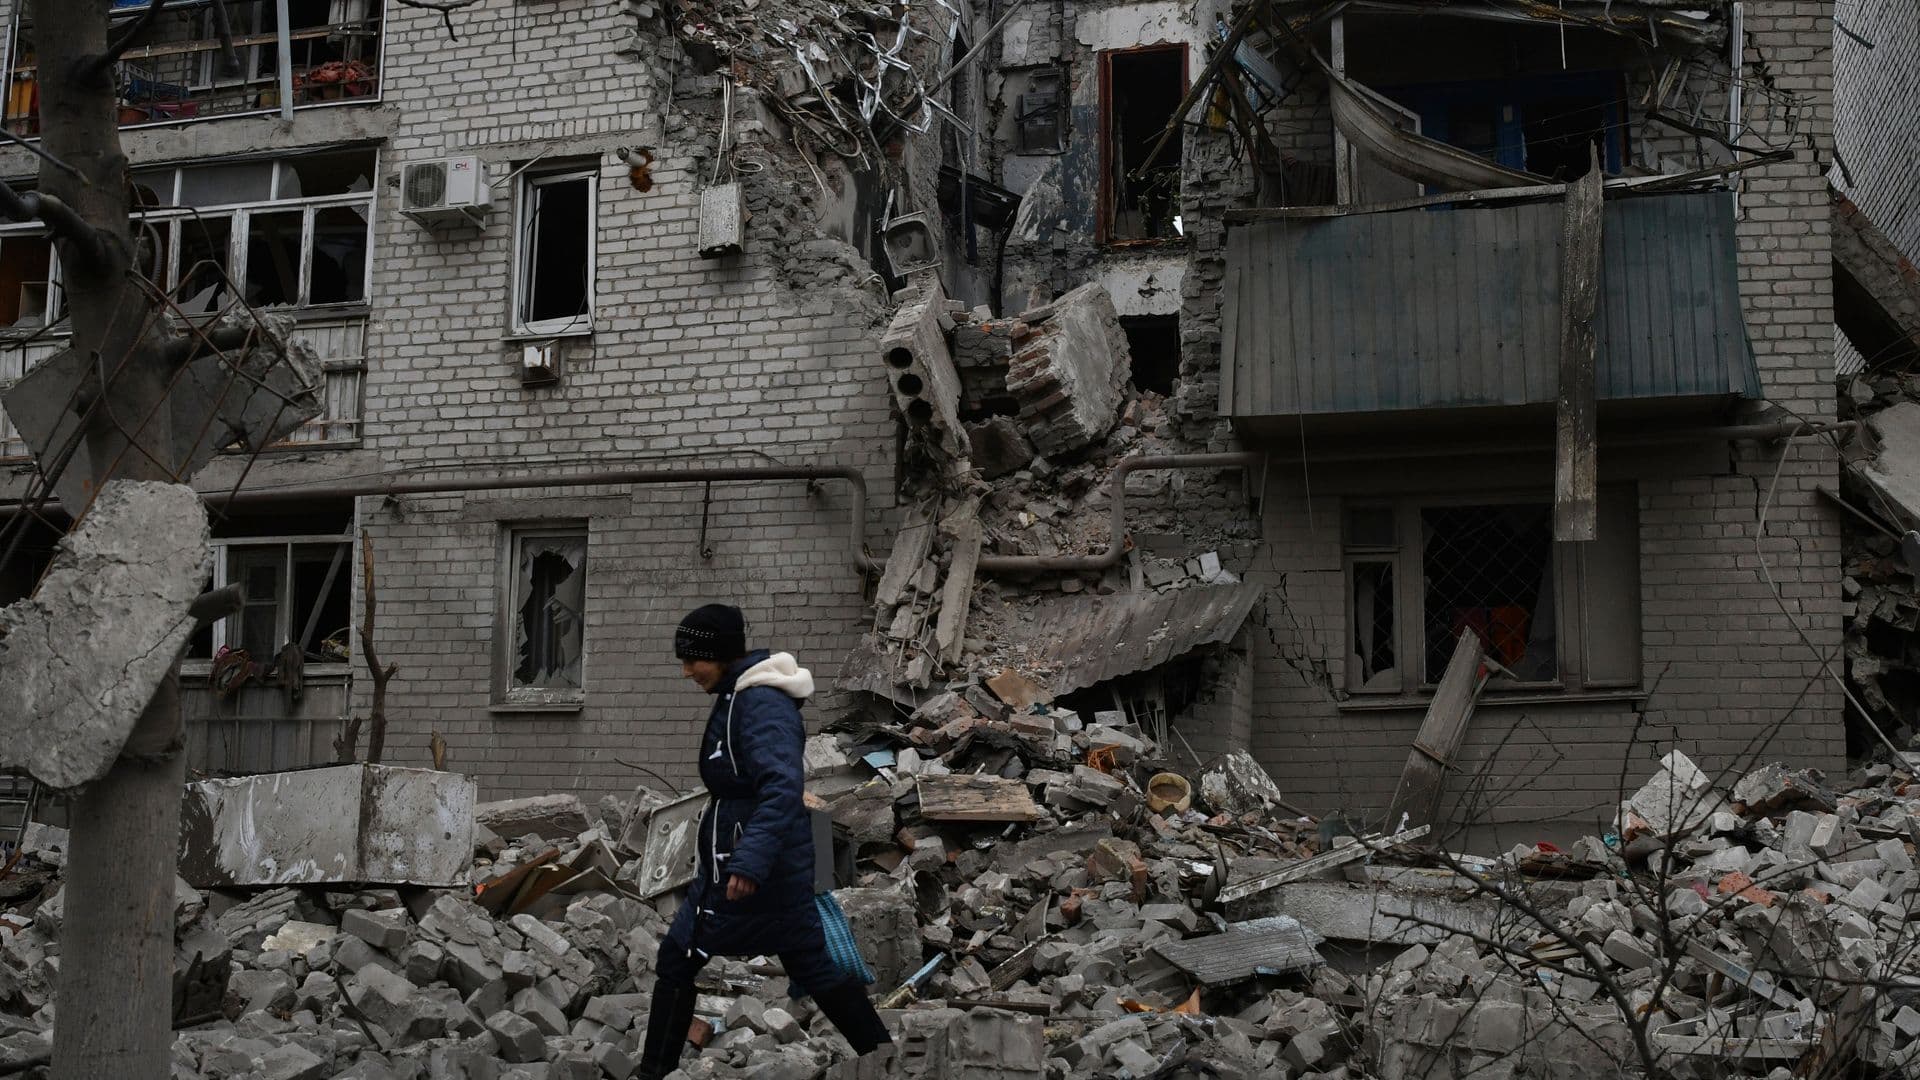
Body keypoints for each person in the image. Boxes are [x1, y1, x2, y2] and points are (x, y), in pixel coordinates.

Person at [637, 604, 893, 1079]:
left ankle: (889, 1060)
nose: (687, 670)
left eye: (694, 659)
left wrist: (749, 861)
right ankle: (886, 1058)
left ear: (721, 654)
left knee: (686, 956)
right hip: (744, 861)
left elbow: (780, 787)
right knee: (799, 961)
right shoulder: (738, 696)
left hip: (756, 867)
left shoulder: (761, 705)